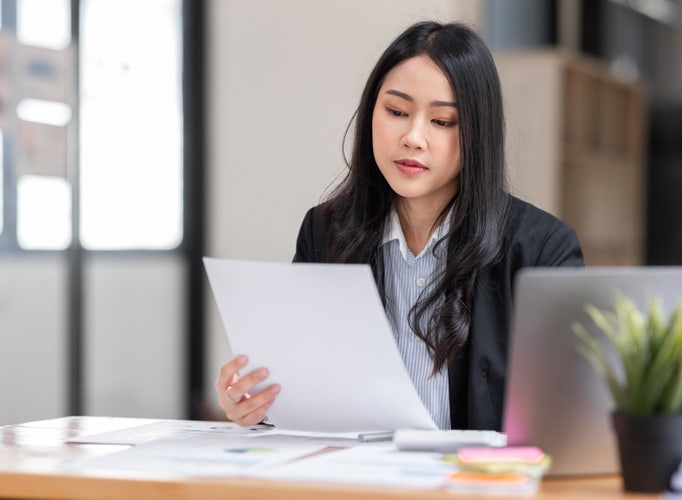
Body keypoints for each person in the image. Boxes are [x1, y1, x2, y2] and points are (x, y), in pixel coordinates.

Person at [215, 20, 583, 431]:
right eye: (396, 111)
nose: (412, 137)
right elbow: (306, 395)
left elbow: (567, 422)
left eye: (442, 122)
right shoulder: (325, 232)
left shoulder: (539, 249)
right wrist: (260, 404)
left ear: (478, 134)